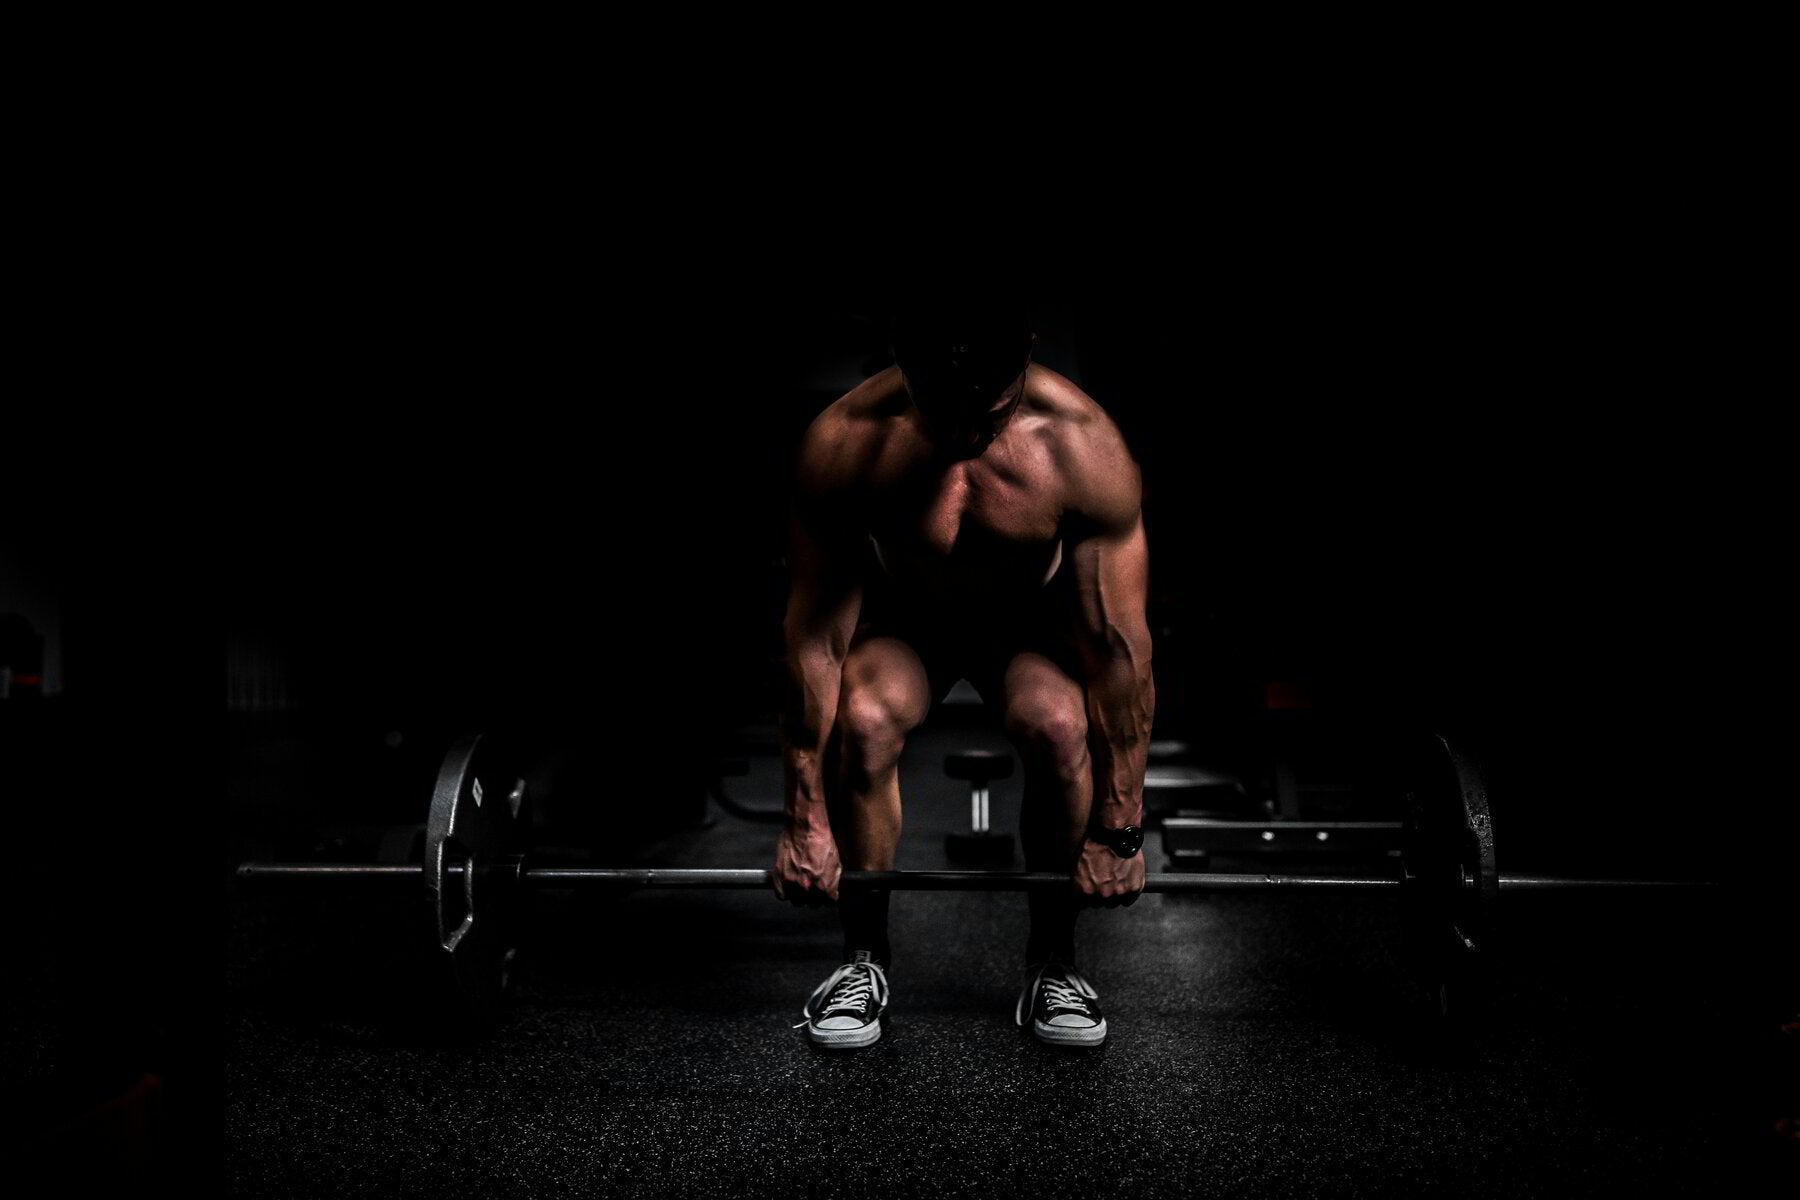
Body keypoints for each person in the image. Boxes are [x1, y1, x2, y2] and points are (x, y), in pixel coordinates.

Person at [772, 298, 1154, 1049]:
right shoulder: (846, 441)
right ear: (901, 359)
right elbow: (813, 641)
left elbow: (1117, 652)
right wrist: (803, 820)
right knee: (864, 719)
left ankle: (1053, 963)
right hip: (909, 623)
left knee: (1060, 725)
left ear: (1026, 355)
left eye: (990, 409)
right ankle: (862, 960)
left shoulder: (1082, 446)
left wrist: (1120, 831)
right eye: (942, 406)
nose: (965, 431)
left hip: (1027, 628)